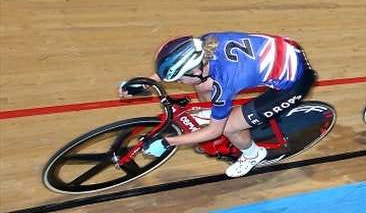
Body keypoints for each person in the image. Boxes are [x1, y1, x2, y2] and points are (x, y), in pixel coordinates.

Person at [129, 33, 317, 178]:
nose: (177, 81)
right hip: (286, 47)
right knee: (201, 83)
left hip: (294, 83)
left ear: (196, 69)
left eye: (179, 78)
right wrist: (144, 82)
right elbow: (175, 64)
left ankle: (253, 154)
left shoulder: (223, 84)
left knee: (227, 127)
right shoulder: (206, 43)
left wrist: (168, 142)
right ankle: (216, 113)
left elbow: (214, 131)